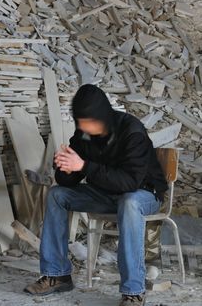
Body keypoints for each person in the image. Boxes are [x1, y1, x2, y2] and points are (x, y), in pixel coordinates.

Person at [24, 84, 168, 306]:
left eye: (89, 123)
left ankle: (133, 291)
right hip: (106, 194)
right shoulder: (84, 133)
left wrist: (83, 165)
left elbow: (129, 182)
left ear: (103, 116)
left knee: (129, 202)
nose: (85, 129)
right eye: (81, 123)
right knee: (57, 194)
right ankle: (58, 274)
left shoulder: (132, 131)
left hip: (144, 194)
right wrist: (64, 167)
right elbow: (67, 181)